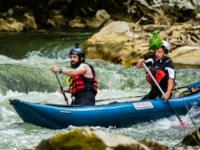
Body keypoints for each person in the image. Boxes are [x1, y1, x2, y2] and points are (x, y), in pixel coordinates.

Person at [137, 30, 175, 101]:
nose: (157, 54)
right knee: (141, 101)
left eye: (159, 52)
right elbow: (139, 66)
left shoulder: (169, 63)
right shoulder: (153, 60)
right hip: (154, 92)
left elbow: (171, 79)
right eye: (156, 52)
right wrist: (140, 62)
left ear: (165, 52)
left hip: (164, 93)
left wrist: (168, 93)